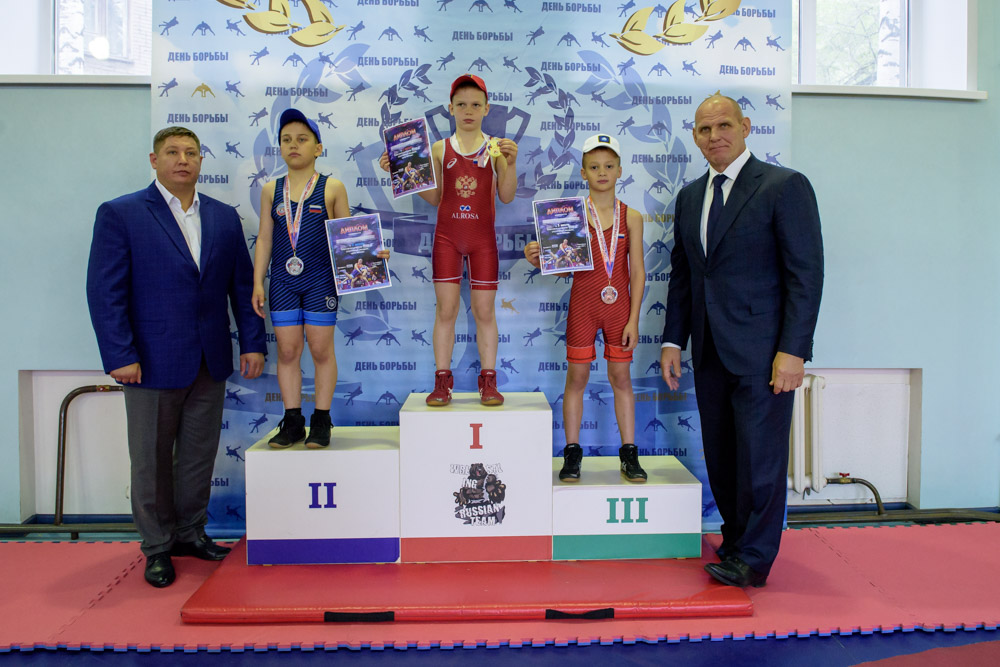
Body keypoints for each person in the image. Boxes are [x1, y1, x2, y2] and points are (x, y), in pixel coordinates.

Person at [86, 127, 266, 588]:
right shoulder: (122, 213)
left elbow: (241, 287)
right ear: (154, 159)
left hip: (210, 358)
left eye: (190, 152)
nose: (182, 159)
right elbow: (105, 292)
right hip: (148, 361)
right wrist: (120, 354)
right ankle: (157, 547)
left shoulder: (223, 217)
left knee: (197, 457)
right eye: (172, 152)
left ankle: (190, 533)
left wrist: (252, 343)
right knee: (150, 460)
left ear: (201, 160)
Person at [660, 93, 823, 588]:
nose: (715, 136)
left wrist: (793, 351)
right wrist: (672, 341)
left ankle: (754, 558)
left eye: (724, 125)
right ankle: (734, 543)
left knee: (759, 460)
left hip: (765, 353)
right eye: (705, 130)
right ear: (695, 137)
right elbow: (685, 276)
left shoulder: (784, 186)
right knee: (723, 455)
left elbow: (805, 275)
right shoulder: (690, 197)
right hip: (709, 350)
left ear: (746, 126)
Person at [252, 108, 389, 449]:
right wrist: (257, 282)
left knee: (320, 349)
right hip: (282, 282)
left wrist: (371, 254)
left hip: (321, 281)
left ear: (318, 148)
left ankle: (322, 420)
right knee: (287, 351)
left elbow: (348, 236)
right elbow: (265, 238)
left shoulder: (332, 187)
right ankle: (292, 421)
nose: (293, 145)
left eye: (302, 139)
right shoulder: (271, 189)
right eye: (286, 140)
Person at [379, 74, 519, 406]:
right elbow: (435, 197)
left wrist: (510, 164)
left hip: (482, 241)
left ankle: (488, 381)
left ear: (486, 108)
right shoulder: (439, 149)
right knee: (446, 310)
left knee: (484, 311)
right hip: (447, 239)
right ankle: (442, 382)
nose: (468, 110)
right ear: (450, 108)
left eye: (475, 104)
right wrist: (400, 171)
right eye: (461, 104)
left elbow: (507, 196)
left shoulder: (496, 148)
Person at [524, 134, 647, 482]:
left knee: (621, 378)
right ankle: (572, 452)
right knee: (576, 379)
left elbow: (638, 271)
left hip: (619, 308)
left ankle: (629, 453)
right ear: (583, 172)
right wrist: (539, 259)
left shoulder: (632, 216)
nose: (602, 172)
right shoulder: (570, 216)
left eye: (608, 166)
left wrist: (634, 319)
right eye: (594, 167)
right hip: (582, 305)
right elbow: (564, 268)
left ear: (620, 170)